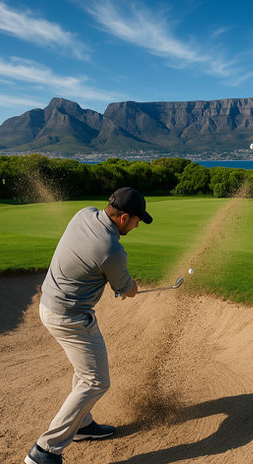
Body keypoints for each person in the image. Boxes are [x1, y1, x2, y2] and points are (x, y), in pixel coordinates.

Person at [25, 187, 153, 464]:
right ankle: (45, 450)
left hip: (49, 303)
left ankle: (82, 425)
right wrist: (131, 288)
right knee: (96, 380)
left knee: (86, 371)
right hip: (69, 317)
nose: (138, 224)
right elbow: (126, 289)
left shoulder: (84, 214)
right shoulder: (112, 250)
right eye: (137, 219)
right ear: (123, 218)